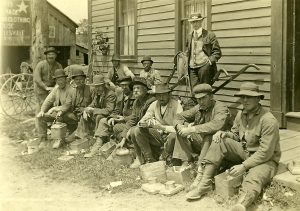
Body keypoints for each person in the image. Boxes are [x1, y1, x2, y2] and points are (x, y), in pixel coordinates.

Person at [185, 82, 281, 211]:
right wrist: (224, 134)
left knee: (253, 177)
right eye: (243, 97)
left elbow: (265, 152)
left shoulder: (268, 120)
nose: (245, 100)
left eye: (249, 97)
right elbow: (236, 135)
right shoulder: (242, 114)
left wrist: (244, 166)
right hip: (245, 152)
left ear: (258, 98)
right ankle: (204, 184)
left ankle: (242, 204)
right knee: (219, 141)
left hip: (265, 159)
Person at [169, 84, 230, 170]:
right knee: (181, 131)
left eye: (203, 98)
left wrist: (192, 129)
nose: (201, 102)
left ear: (211, 96)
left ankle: (200, 167)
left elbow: (216, 124)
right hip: (202, 141)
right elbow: (178, 116)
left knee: (208, 136)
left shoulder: (220, 107)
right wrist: (180, 126)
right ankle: (187, 162)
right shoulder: (199, 107)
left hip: (218, 143)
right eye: (198, 99)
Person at [130, 83, 183, 168]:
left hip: (171, 136)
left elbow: (178, 128)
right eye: (158, 95)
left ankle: (165, 157)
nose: (161, 98)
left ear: (169, 94)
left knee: (173, 136)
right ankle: (149, 159)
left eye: (163, 95)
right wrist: (147, 123)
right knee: (136, 130)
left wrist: (161, 127)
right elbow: (143, 119)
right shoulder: (155, 104)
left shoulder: (176, 105)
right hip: (158, 135)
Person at [88, 76, 135, 157]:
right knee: (103, 120)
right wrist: (112, 117)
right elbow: (116, 110)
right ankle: (97, 146)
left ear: (131, 86)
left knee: (112, 126)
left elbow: (135, 116)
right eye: (122, 85)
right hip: (120, 120)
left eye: (126, 85)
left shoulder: (135, 98)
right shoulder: (121, 96)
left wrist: (122, 119)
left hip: (130, 123)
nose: (124, 87)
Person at [113, 77, 156, 164]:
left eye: (138, 88)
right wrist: (123, 139)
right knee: (118, 128)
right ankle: (129, 149)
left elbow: (145, 121)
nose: (135, 90)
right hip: (139, 128)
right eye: (134, 88)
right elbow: (133, 119)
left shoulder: (151, 101)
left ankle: (143, 157)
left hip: (153, 128)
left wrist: (129, 131)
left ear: (145, 89)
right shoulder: (137, 101)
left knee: (133, 131)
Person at [36, 69, 76, 149]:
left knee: (59, 117)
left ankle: (60, 140)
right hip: (59, 113)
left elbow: (67, 105)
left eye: (61, 79)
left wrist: (54, 108)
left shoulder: (71, 89)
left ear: (65, 79)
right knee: (41, 117)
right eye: (58, 80)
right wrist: (42, 110)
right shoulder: (56, 89)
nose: (60, 82)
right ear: (56, 81)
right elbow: (48, 100)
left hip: (70, 114)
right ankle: (43, 139)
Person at [81, 74, 117, 158]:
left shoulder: (110, 94)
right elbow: (93, 104)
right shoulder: (97, 93)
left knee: (99, 117)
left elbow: (109, 110)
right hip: (100, 115)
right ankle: (86, 139)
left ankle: (97, 143)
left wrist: (93, 110)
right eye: (95, 86)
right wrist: (87, 110)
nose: (97, 89)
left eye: (99, 86)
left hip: (111, 117)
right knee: (85, 115)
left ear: (104, 85)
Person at [34, 47, 62, 143]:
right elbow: (37, 79)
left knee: (55, 111)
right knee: (41, 111)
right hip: (42, 91)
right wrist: (46, 88)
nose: (51, 56)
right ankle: (42, 136)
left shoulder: (58, 65)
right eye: (49, 54)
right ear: (46, 55)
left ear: (56, 56)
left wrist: (55, 89)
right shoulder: (40, 65)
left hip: (54, 90)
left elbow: (61, 78)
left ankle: (57, 133)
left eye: (53, 54)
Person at [186, 13, 222, 89]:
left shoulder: (209, 35)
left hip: (204, 67)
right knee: (194, 91)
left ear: (201, 21)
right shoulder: (189, 36)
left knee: (205, 90)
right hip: (192, 68)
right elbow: (188, 51)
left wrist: (209, 62)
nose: (194, 24)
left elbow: (217, 52)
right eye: (193, 22)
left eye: (197, 21)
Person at [60, 69, 92, 137]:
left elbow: (95, 103)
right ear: (74, 81)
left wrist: (86, 110)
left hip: (86, 113)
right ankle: (65, 132)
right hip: (75, 113)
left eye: (81, 79)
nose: (79, 81)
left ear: (84, 79)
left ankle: (79, 134)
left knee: (84, 117)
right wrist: (61, 111)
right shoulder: (72, 91)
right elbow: (67, 104)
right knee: (62, 116)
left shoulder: (90, 89)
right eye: (76, 79)